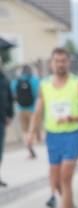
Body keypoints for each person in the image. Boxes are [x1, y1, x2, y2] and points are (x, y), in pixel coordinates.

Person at [27, 48, 78, 208]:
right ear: (51, 63)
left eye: (63, 61)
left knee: (66, 179)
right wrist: (31, 133)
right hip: (53, 137)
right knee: (56, 183)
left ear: (69, 63)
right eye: (57, 61)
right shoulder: (44, 85)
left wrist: (72, 117)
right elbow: (38, 111)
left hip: (72, 136)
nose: (60, 64)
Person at [11, 65, 40, 161]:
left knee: (25, 130)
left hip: (21, 109)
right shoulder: (34, 80)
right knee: (32, 129)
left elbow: (12, 93)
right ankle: (33, 142)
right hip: (32, 109)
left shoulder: (16, 82)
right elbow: (39, 94)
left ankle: (29, 146)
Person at [0, 58, 13, 188]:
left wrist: (10, 114)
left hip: (1, 119)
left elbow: (9, 98)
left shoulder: (4, 79)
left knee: (0, 149)